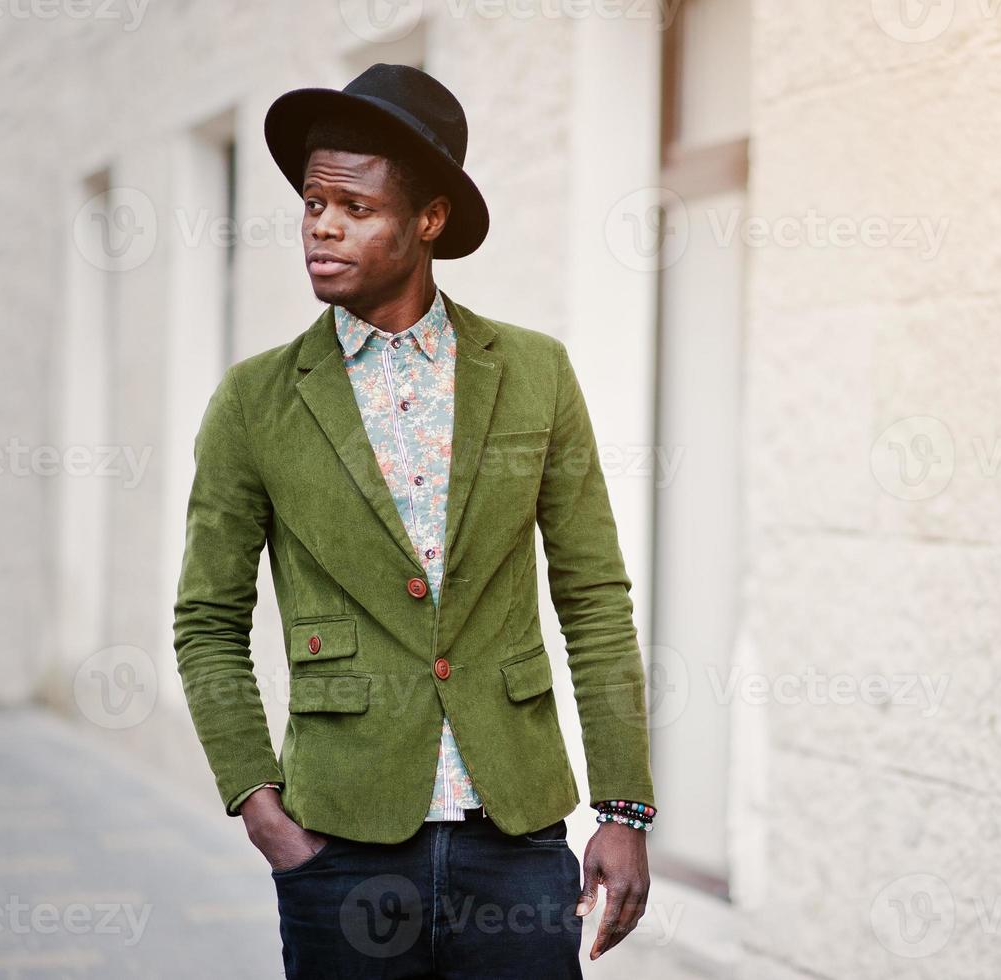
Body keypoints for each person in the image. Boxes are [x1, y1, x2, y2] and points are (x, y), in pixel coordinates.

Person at [171, 62, 656, 979]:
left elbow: (593, 595)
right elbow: (206, 620)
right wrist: (259, 806)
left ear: (427, 220)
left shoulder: (535, 372)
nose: (321, 225)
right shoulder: (255, 401)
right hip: (338, 839)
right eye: (313, 202)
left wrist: (622, 808)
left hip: (513, 838)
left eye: (354, 208)